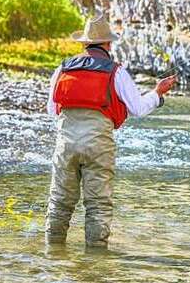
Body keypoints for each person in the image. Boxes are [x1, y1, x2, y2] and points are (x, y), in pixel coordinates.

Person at [45, 14, 177, 248]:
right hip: (98, 146)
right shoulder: (116, 72)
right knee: (98, 205)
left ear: (85, 43)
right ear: (108, 44)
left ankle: (52, 255)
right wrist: (157, 93)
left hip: (65, 144)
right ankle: (96, 262)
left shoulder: (62, 69)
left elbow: (52, 111)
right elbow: (138, 108)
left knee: (59, 202)